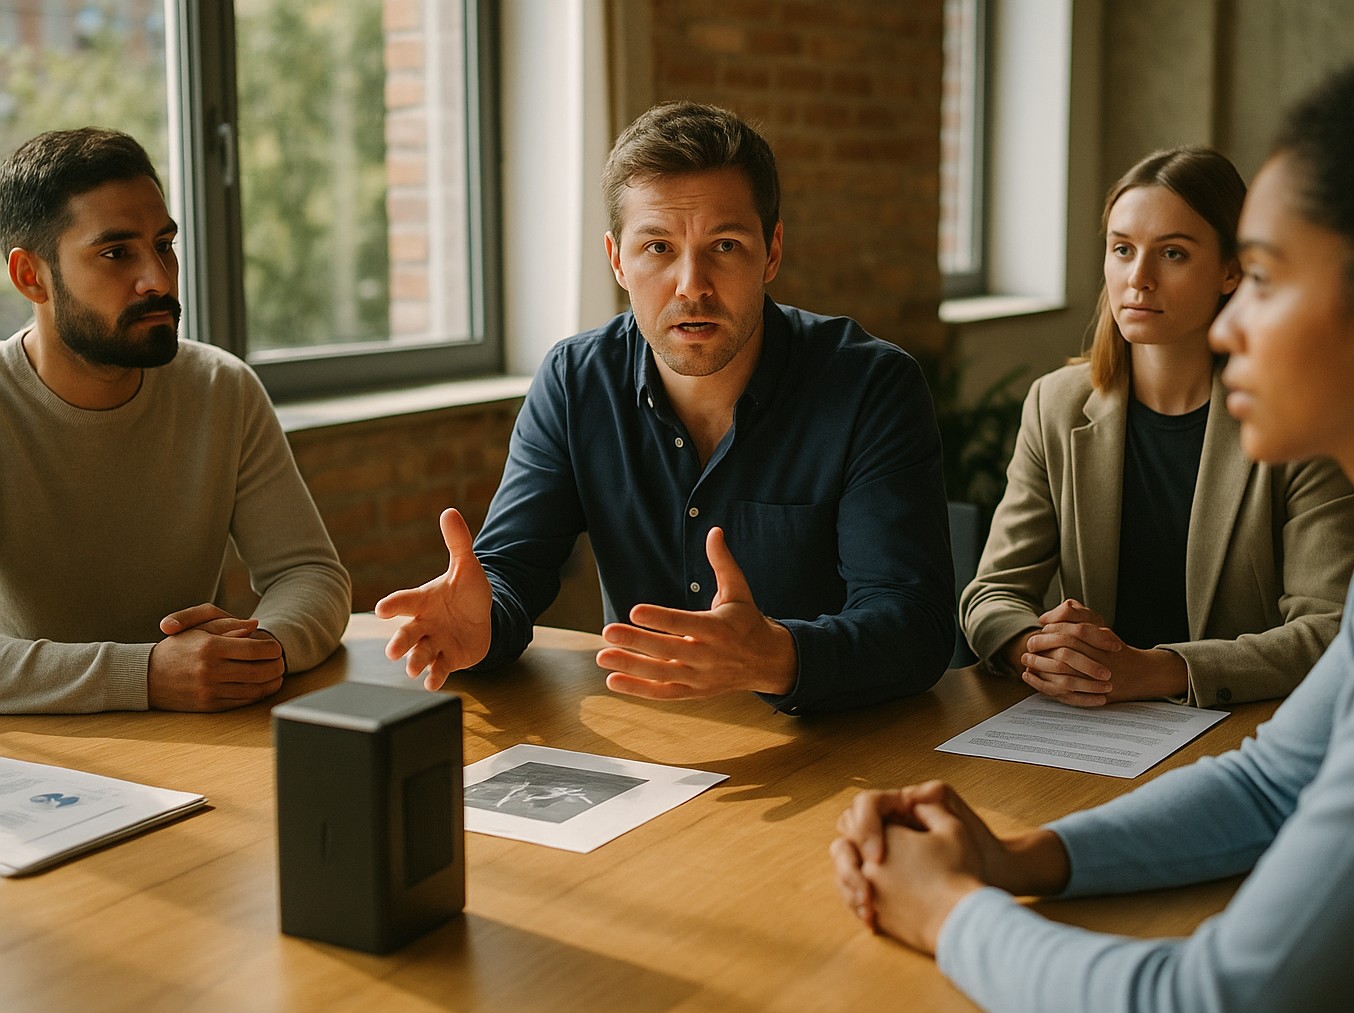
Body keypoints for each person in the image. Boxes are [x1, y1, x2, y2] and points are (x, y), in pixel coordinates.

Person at [830, 45, 1354, 1013]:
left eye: (1266, 278)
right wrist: (1015, 853)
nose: (1230, 321)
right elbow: (1272, 782)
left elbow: (1212, 1007)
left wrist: (949, 909)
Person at [377, 101, 953, 714]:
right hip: (652, 751)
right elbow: (512, 570)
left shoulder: (871, 385)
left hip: (838, 748)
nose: (691, 285)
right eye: (657, 247)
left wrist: (777, 655)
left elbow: (914, 625)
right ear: (617, 260)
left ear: (773, 252)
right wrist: (484, 625)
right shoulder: (577, 381)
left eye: (725, 245)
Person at [960, 146, 1354, 708]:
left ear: (1232, 269)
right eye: (1122, 249)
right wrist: (1042, 650)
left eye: (1172, 253)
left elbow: (1332, 627)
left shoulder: (1300, 419)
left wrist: (1158, 670)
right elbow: (992, 594)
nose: (1138, 278)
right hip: (1087, 726)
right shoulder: (1055, 404)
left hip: (1244, 727)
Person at [0, 128, 351, 714]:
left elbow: (309, 572)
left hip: (203, 740)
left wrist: (258, 650)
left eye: (164, 244)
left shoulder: (222, 388)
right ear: (30, 276)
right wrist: (144, 674)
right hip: (40, 766)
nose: (159, 279)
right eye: (116, 253)